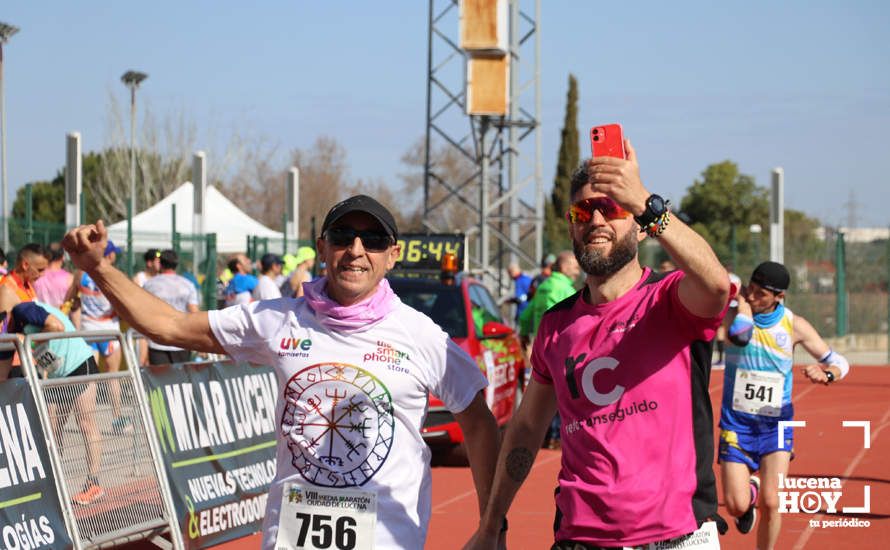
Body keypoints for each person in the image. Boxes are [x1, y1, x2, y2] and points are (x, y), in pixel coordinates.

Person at [62, 194, 500, 550]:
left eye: (374, 240)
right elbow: (169, 325)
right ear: (323, 246)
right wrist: (98, 268)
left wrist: (492, 528)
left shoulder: (422, 335)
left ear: (392, 256)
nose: (356, 250)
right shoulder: (279, 319)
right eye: (343, 235)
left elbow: (479, 425)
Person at [467, 142, 731, 549]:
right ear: (571, 226)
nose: (595, 220)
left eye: (612, 208)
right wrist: (491, 525)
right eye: (581, 211)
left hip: (676, 536)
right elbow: (525, 429)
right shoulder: (556, 326)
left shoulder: (671, 300)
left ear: (640, 224)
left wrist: (645, 201)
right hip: (580, 538)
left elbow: (717, 285)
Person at [718, 261, 850, 550]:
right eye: (750, 289)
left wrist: (827, 373)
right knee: (735, 505)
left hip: (776, 425)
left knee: (773, 501)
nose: (752, 297)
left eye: (760, 294)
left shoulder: (794, 325)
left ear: (779, 297)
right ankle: (748, 494)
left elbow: (839, 362)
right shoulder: (733, 316)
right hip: (737, 424)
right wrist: (740, 306)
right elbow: (737, 336)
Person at [0, 293, 104, 504]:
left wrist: (27, 340)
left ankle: (94, 483)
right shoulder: (7, 335)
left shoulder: (24, 310)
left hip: (79, 364)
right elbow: (2, 375)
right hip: (57, 376)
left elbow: (57, 327)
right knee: (51, 430)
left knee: (85, 423)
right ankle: (52, 484)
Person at [517, 251, 580, 450]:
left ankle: (546, 436)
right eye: (574, 265)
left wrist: (525, 334)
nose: (578, 270)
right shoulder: (566, 290)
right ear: (562, 267)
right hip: (563, 348)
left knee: (544, 392)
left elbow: (526, 315)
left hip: (541, 347)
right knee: (564, 391)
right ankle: (557, 436)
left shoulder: (543, 287)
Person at [67, 240, 129, 433]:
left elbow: (70, 299)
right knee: (113, 377)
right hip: (110, 332)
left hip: (87, 331)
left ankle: (88, 419)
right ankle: (117, 418)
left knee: (88, 379)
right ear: (108, 256)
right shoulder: (114, 276)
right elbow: (124, 305)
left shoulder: (80, 274)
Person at [142, 250, 200, 365]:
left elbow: (144, 312)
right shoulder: (188, 285)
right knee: (181, 381)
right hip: (181, 342)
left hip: (157, 341)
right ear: (176, 265)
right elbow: (194, 313)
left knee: (159, 381)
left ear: (160, 264)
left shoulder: (150, 284)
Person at [34, 242, 73, 308]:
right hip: (61, 317)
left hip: (38, 317)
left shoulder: (35, 276)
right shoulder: (70, 279)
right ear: (63, 257)